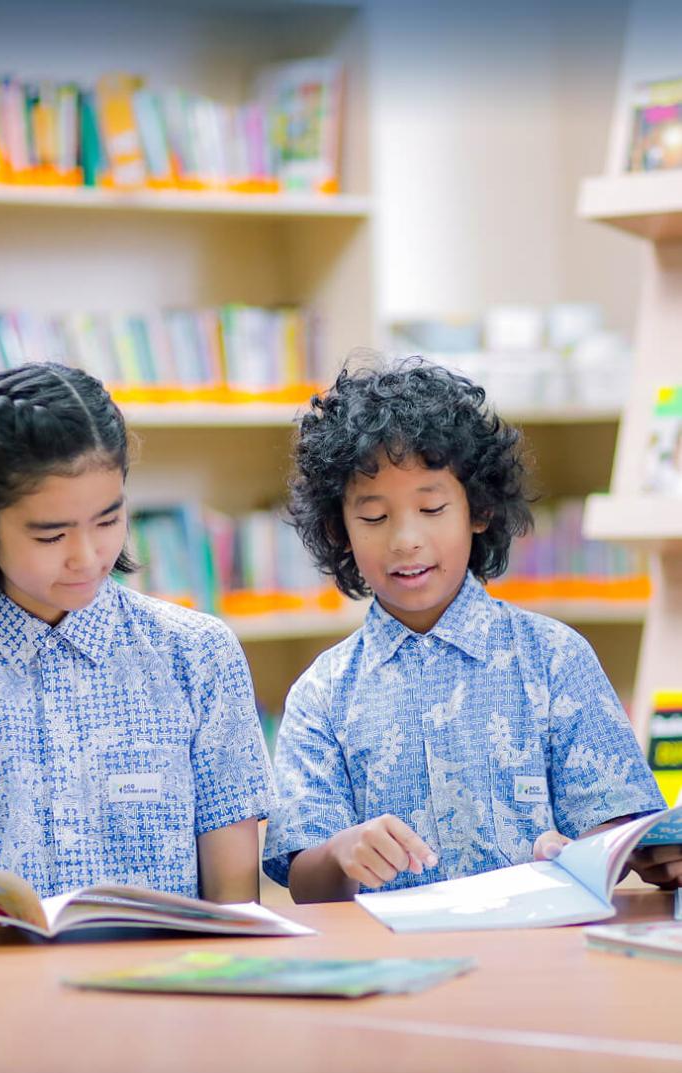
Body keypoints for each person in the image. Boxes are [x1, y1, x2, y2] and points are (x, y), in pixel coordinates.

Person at [262, 359, 682, 901]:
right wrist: (342, 853)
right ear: (338, 529)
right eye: (374, 518)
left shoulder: (554, 658)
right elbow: (305, 880)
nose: (406, 539)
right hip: (391, 948)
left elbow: (617, 824)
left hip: (538, 942)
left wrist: (587, 854)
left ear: (478, 510)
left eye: (432, 507)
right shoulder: (322, 694)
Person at [0, 363, 272, 902]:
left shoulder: (198, 656)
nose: (87, 556)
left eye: (108, 521)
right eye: (51, 536)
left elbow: (237, 908)